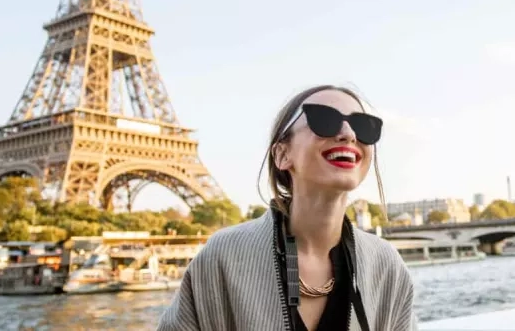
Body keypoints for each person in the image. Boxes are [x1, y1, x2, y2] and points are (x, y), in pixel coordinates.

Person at [158, 85, 416, 331]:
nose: (349, 134)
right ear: (282, 154)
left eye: (363, 125)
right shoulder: (222, 257)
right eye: (324, 119)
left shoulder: (386, 265)